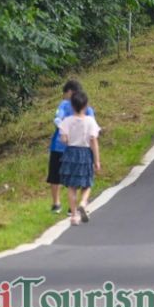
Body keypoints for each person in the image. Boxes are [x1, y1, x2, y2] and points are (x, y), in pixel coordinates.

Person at [48, 79, 94, 213]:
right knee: (74, 178)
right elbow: (93, 126)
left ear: (69, 92)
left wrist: (64, 130)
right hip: (79, 148)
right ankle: (72, 207)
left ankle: (56, 204)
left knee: (55, 175)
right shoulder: (88, 108)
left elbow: (57, 119)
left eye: (65, 93)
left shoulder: (63, 105)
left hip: (59, 146)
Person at [58, 89, 101, 226]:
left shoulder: (67, 121)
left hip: (70, 154)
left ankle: (73, 216)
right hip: (85, 153)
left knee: (72, 186)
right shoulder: (90, 121)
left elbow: (64, 139)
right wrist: (97, 160)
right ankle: (83, 203)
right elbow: (93, 140)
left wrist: (68, 138)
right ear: (86, 106)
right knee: (87, 183)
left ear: (71, 105)